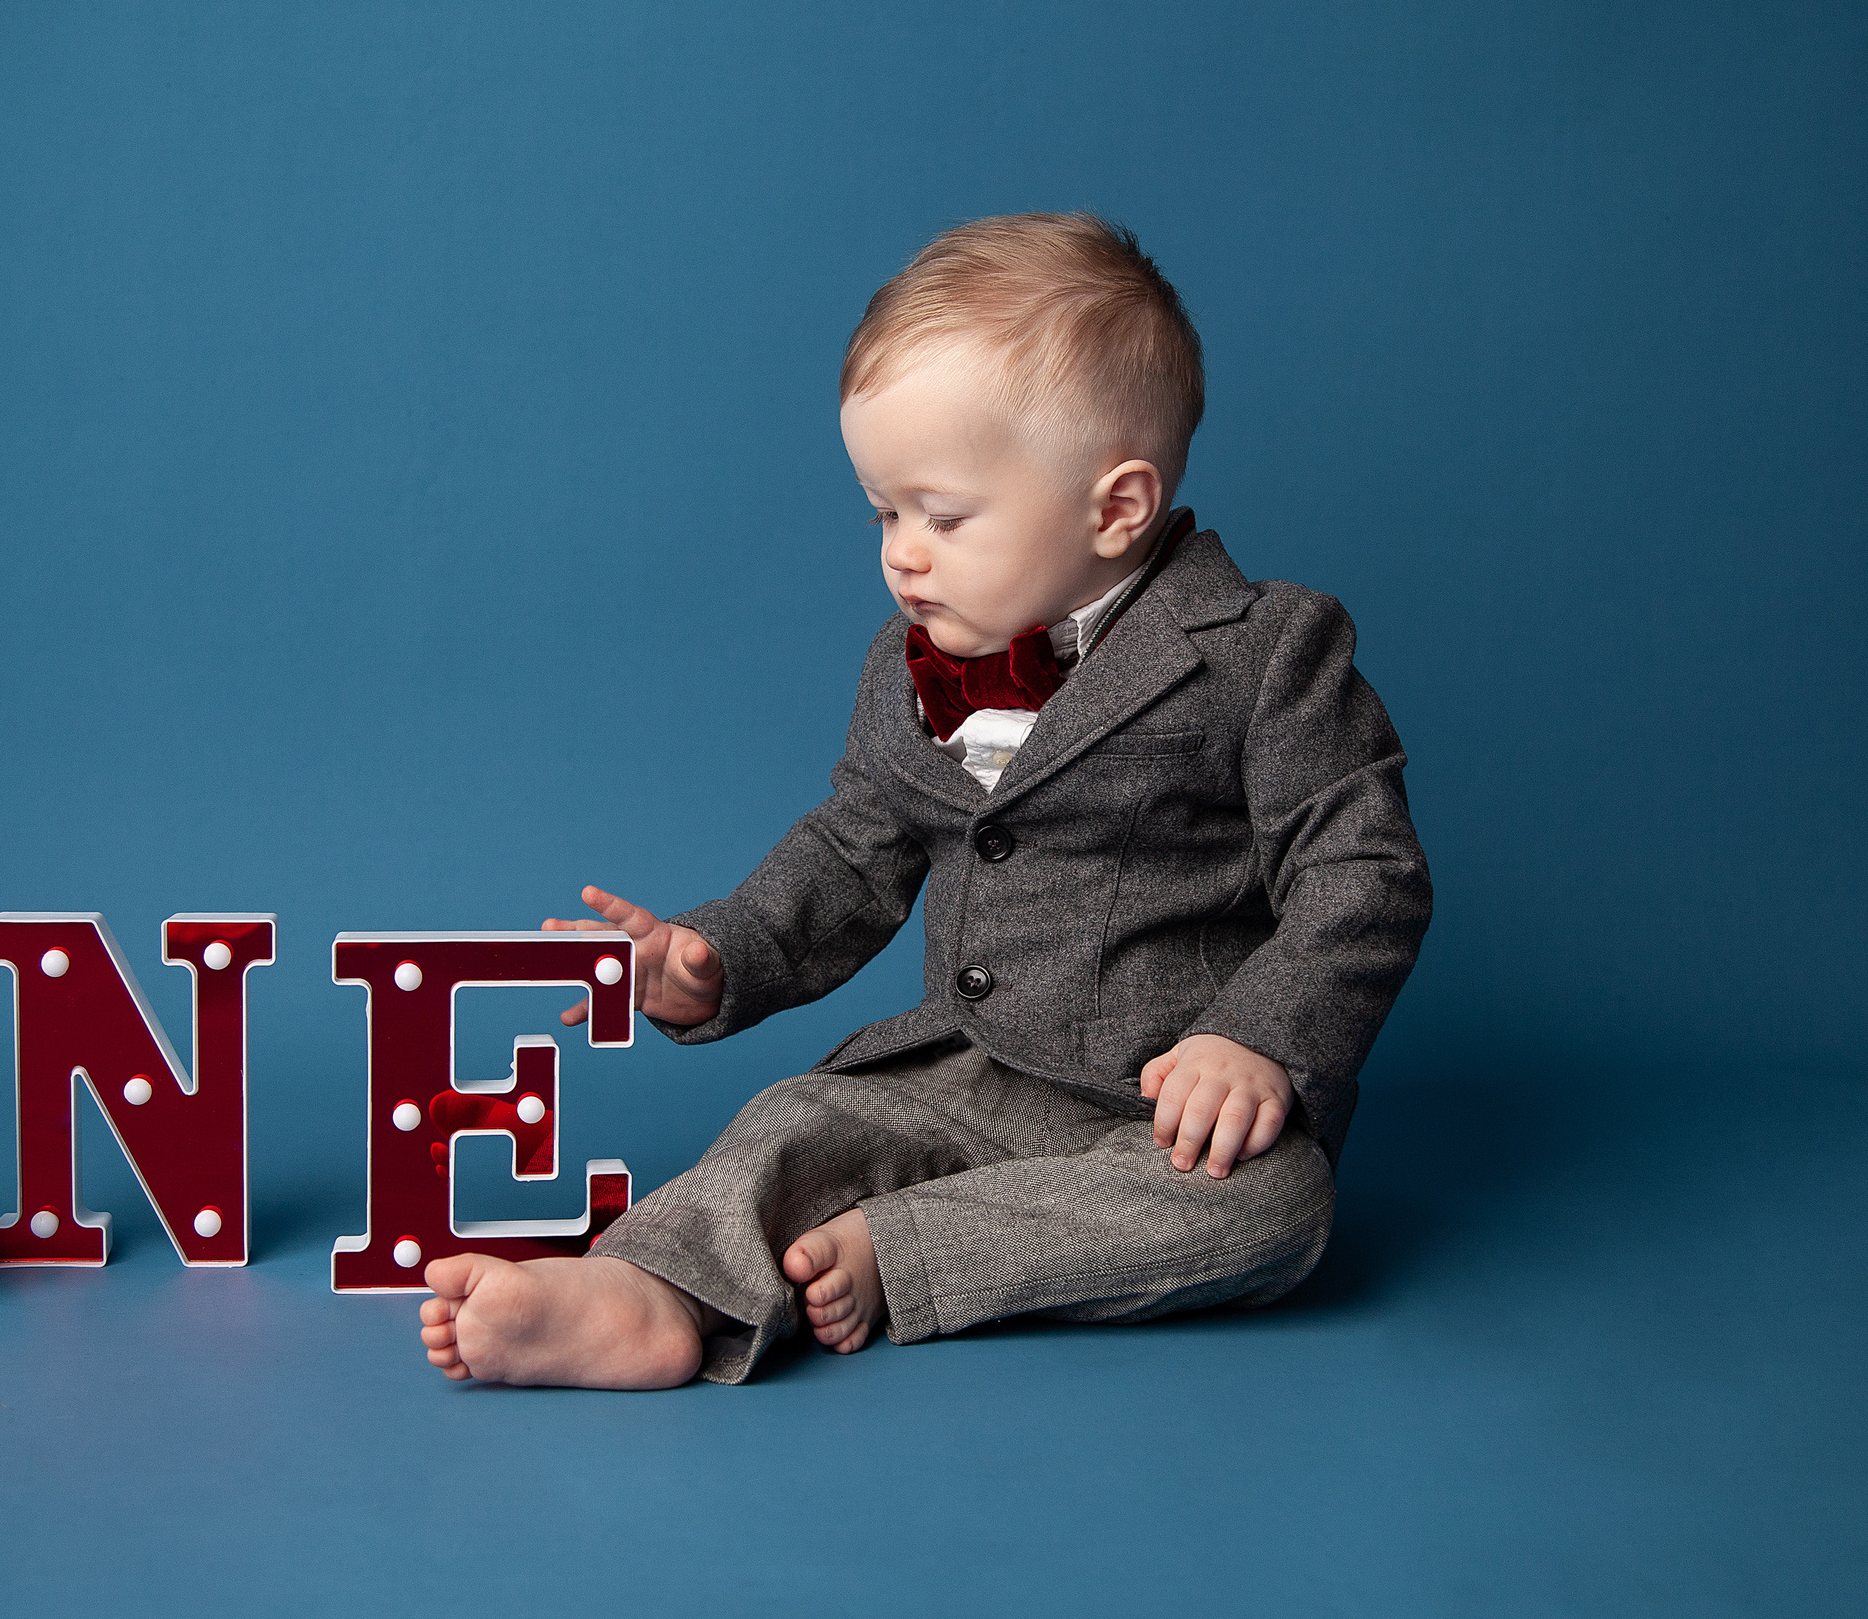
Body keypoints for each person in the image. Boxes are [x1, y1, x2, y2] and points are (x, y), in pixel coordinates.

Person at [419, 213, 1432, 1387]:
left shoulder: (1263, 649)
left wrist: (1255, 1036)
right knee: (792, 1123)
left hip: (1161, 1105)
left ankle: (903, 1249)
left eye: (943, 517)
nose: (903, 554)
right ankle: (646, 1288)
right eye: (883, 514)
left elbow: (1362, 874)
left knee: (1272, 1208)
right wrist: (717, 951)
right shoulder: (901, 672)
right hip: (960, 1075)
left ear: (1116, 507)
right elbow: (852, 854)